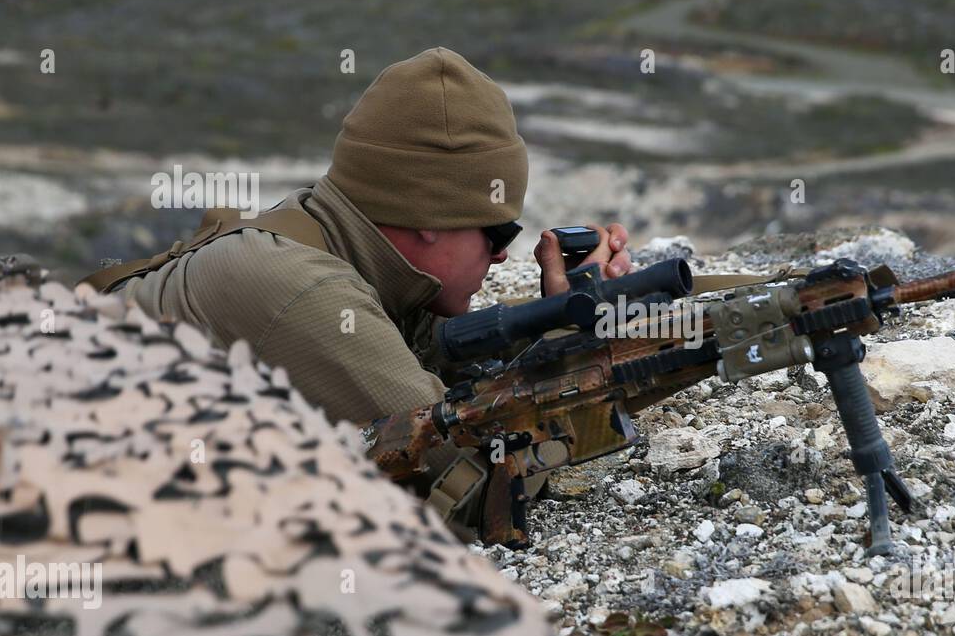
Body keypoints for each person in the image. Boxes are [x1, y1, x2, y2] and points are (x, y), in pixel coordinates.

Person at [92, 47, 634, 536]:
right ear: (429, 217)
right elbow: (466, 494)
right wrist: (573, 360)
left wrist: (559, 315)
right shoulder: (303, 289)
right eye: (497, 232)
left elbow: (446, 360)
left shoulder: (324, 232)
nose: (500, 256)